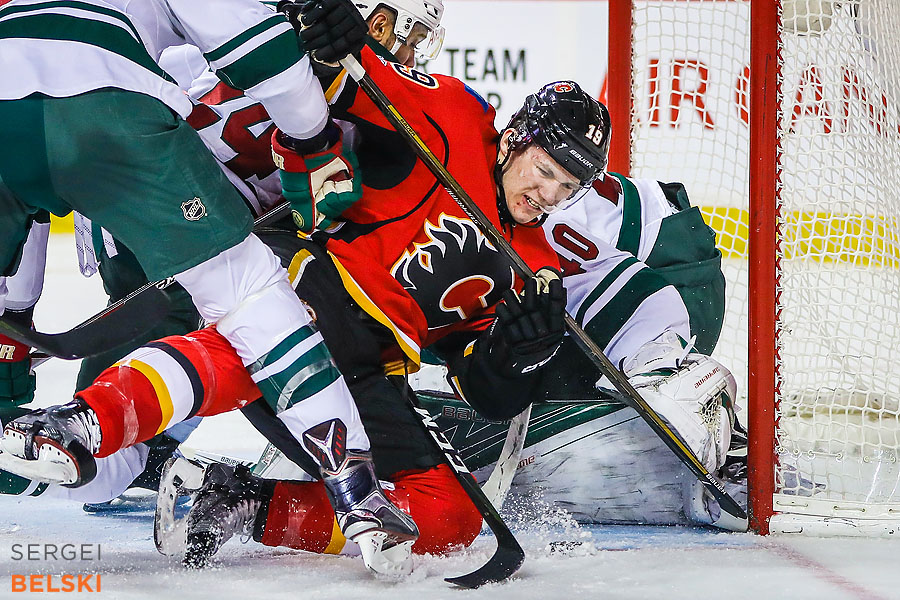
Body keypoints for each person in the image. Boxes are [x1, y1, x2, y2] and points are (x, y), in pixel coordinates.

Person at [0, 0, 428, 577]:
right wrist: (314, 138)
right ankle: (354, 486)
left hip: (104, 212)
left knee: (124, 441)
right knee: (253, 298)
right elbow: (254, 47)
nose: (406, 50)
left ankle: (56, 432)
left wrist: (14, 324)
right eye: (402, 33)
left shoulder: (202, 55)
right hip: (154, 199)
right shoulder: (358, 89)